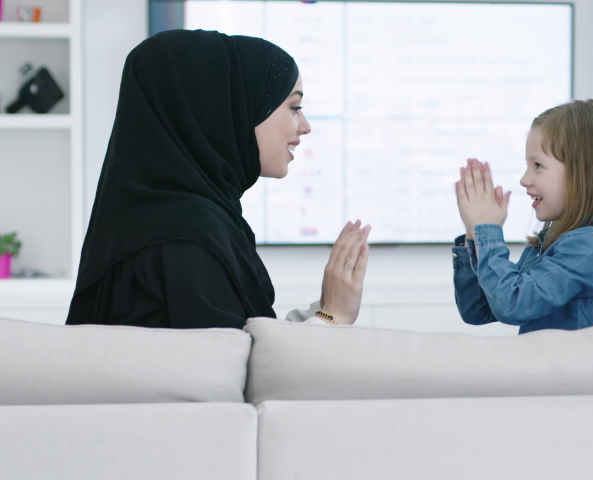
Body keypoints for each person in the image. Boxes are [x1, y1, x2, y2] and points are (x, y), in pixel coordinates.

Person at [66, 29, 368, 329]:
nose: (304, 126)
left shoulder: (169, 221)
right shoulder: (185, 239)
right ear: (228, 106)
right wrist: (332, 318)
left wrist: (324, 309)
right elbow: (237, 373)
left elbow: (243, 345)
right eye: (293, 107)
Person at [452, 100, 593, 334]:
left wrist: (487, 231)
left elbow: (513, 305)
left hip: (579, 371)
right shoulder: (551, 240)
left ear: (588, 172)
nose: (524, 179)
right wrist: (474, 234)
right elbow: (479, 310)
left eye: (538, 165)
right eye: (527, 165)